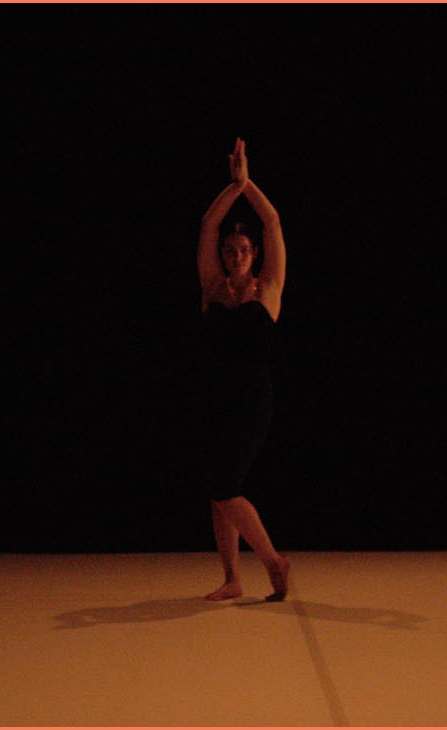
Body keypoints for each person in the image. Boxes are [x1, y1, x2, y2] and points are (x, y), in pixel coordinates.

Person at [195, 137, 292, 602]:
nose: (235, 256)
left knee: (225, 486)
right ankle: (232, 578)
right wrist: (229, 188)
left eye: (243, 250)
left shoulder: (267, 289)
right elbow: (207, 224)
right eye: (230, 250)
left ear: (254, 254)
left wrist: (245, 183)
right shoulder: (213, 288)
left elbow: (272, 221)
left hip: (253, 398)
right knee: (217, 490)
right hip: (216, 396)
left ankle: (272, 560)